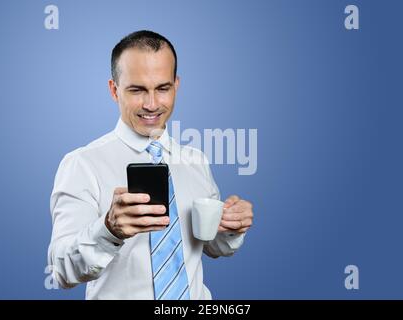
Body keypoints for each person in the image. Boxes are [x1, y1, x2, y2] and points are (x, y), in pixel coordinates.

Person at [48, 30, 254, 300]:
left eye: (163, 88)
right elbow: (61, 270)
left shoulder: (195, 160)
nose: (152, 104)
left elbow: (214, 247)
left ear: (176, 85)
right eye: (137, 90)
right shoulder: (82, 164)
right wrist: (108, 229)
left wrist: (231, 227)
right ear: (114, 90)